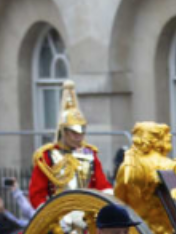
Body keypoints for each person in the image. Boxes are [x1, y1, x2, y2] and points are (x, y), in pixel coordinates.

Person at [28, 80, 113, 208]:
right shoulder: (46, 157)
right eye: (74, 133)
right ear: (64, 132)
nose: (79, 137)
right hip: (57, 214)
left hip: (87, 213)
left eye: (82, 132)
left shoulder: (89, 153)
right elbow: (37, 194)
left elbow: (101, 185)